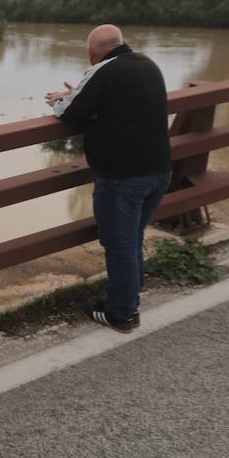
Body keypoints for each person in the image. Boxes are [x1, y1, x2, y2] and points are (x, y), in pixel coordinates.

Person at [46, 24, 171, 333]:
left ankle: (122, 313)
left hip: (123, 178)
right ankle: (131, 296)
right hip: (159, 171)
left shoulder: (103, 70)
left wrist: (60, 99)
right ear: (122, 43)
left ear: (93, 54)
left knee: (120, 245)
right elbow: (114, 104)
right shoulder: (148, 65)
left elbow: (69, 112)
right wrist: (78, 95)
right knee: (132, 239)